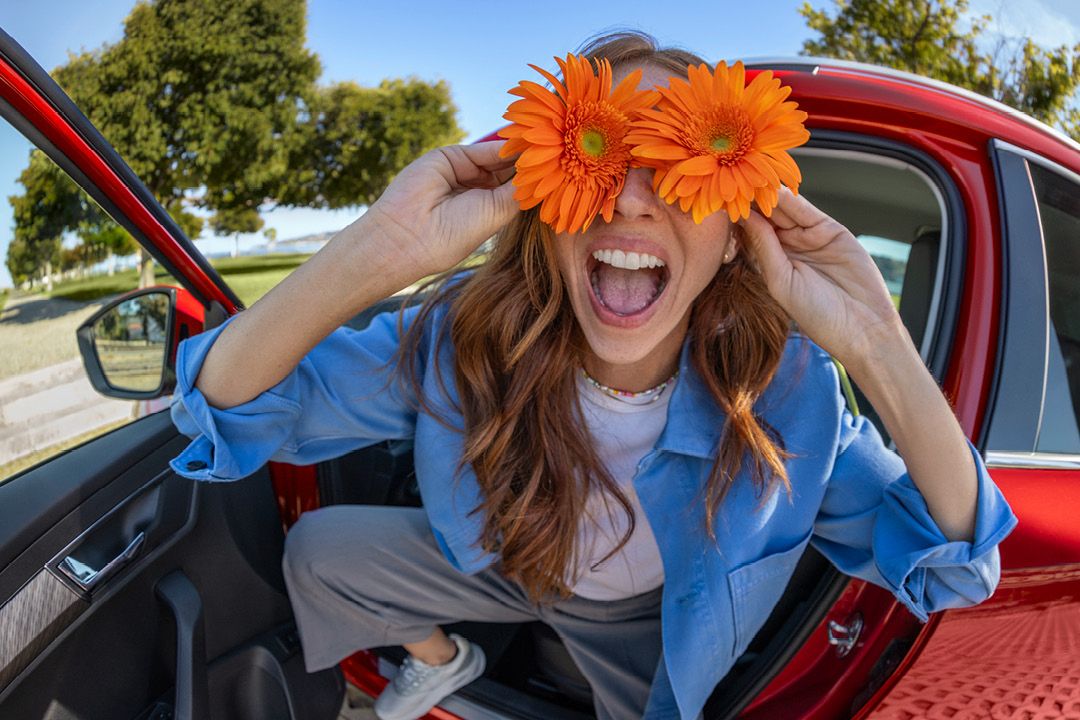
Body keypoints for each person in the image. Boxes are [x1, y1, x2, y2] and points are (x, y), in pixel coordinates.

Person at [169, 32, 1018, 720]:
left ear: (736, 234)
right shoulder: (461, 338)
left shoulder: (788, 396)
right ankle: (442, 663)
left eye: (682, 164)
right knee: (318, 552)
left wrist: (877, 343)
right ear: (545, 204)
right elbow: (226, 406)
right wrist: (376, 253)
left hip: (644, 620)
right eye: (597, 153)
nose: (630, 199)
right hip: (503, 563)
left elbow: (957, 566)